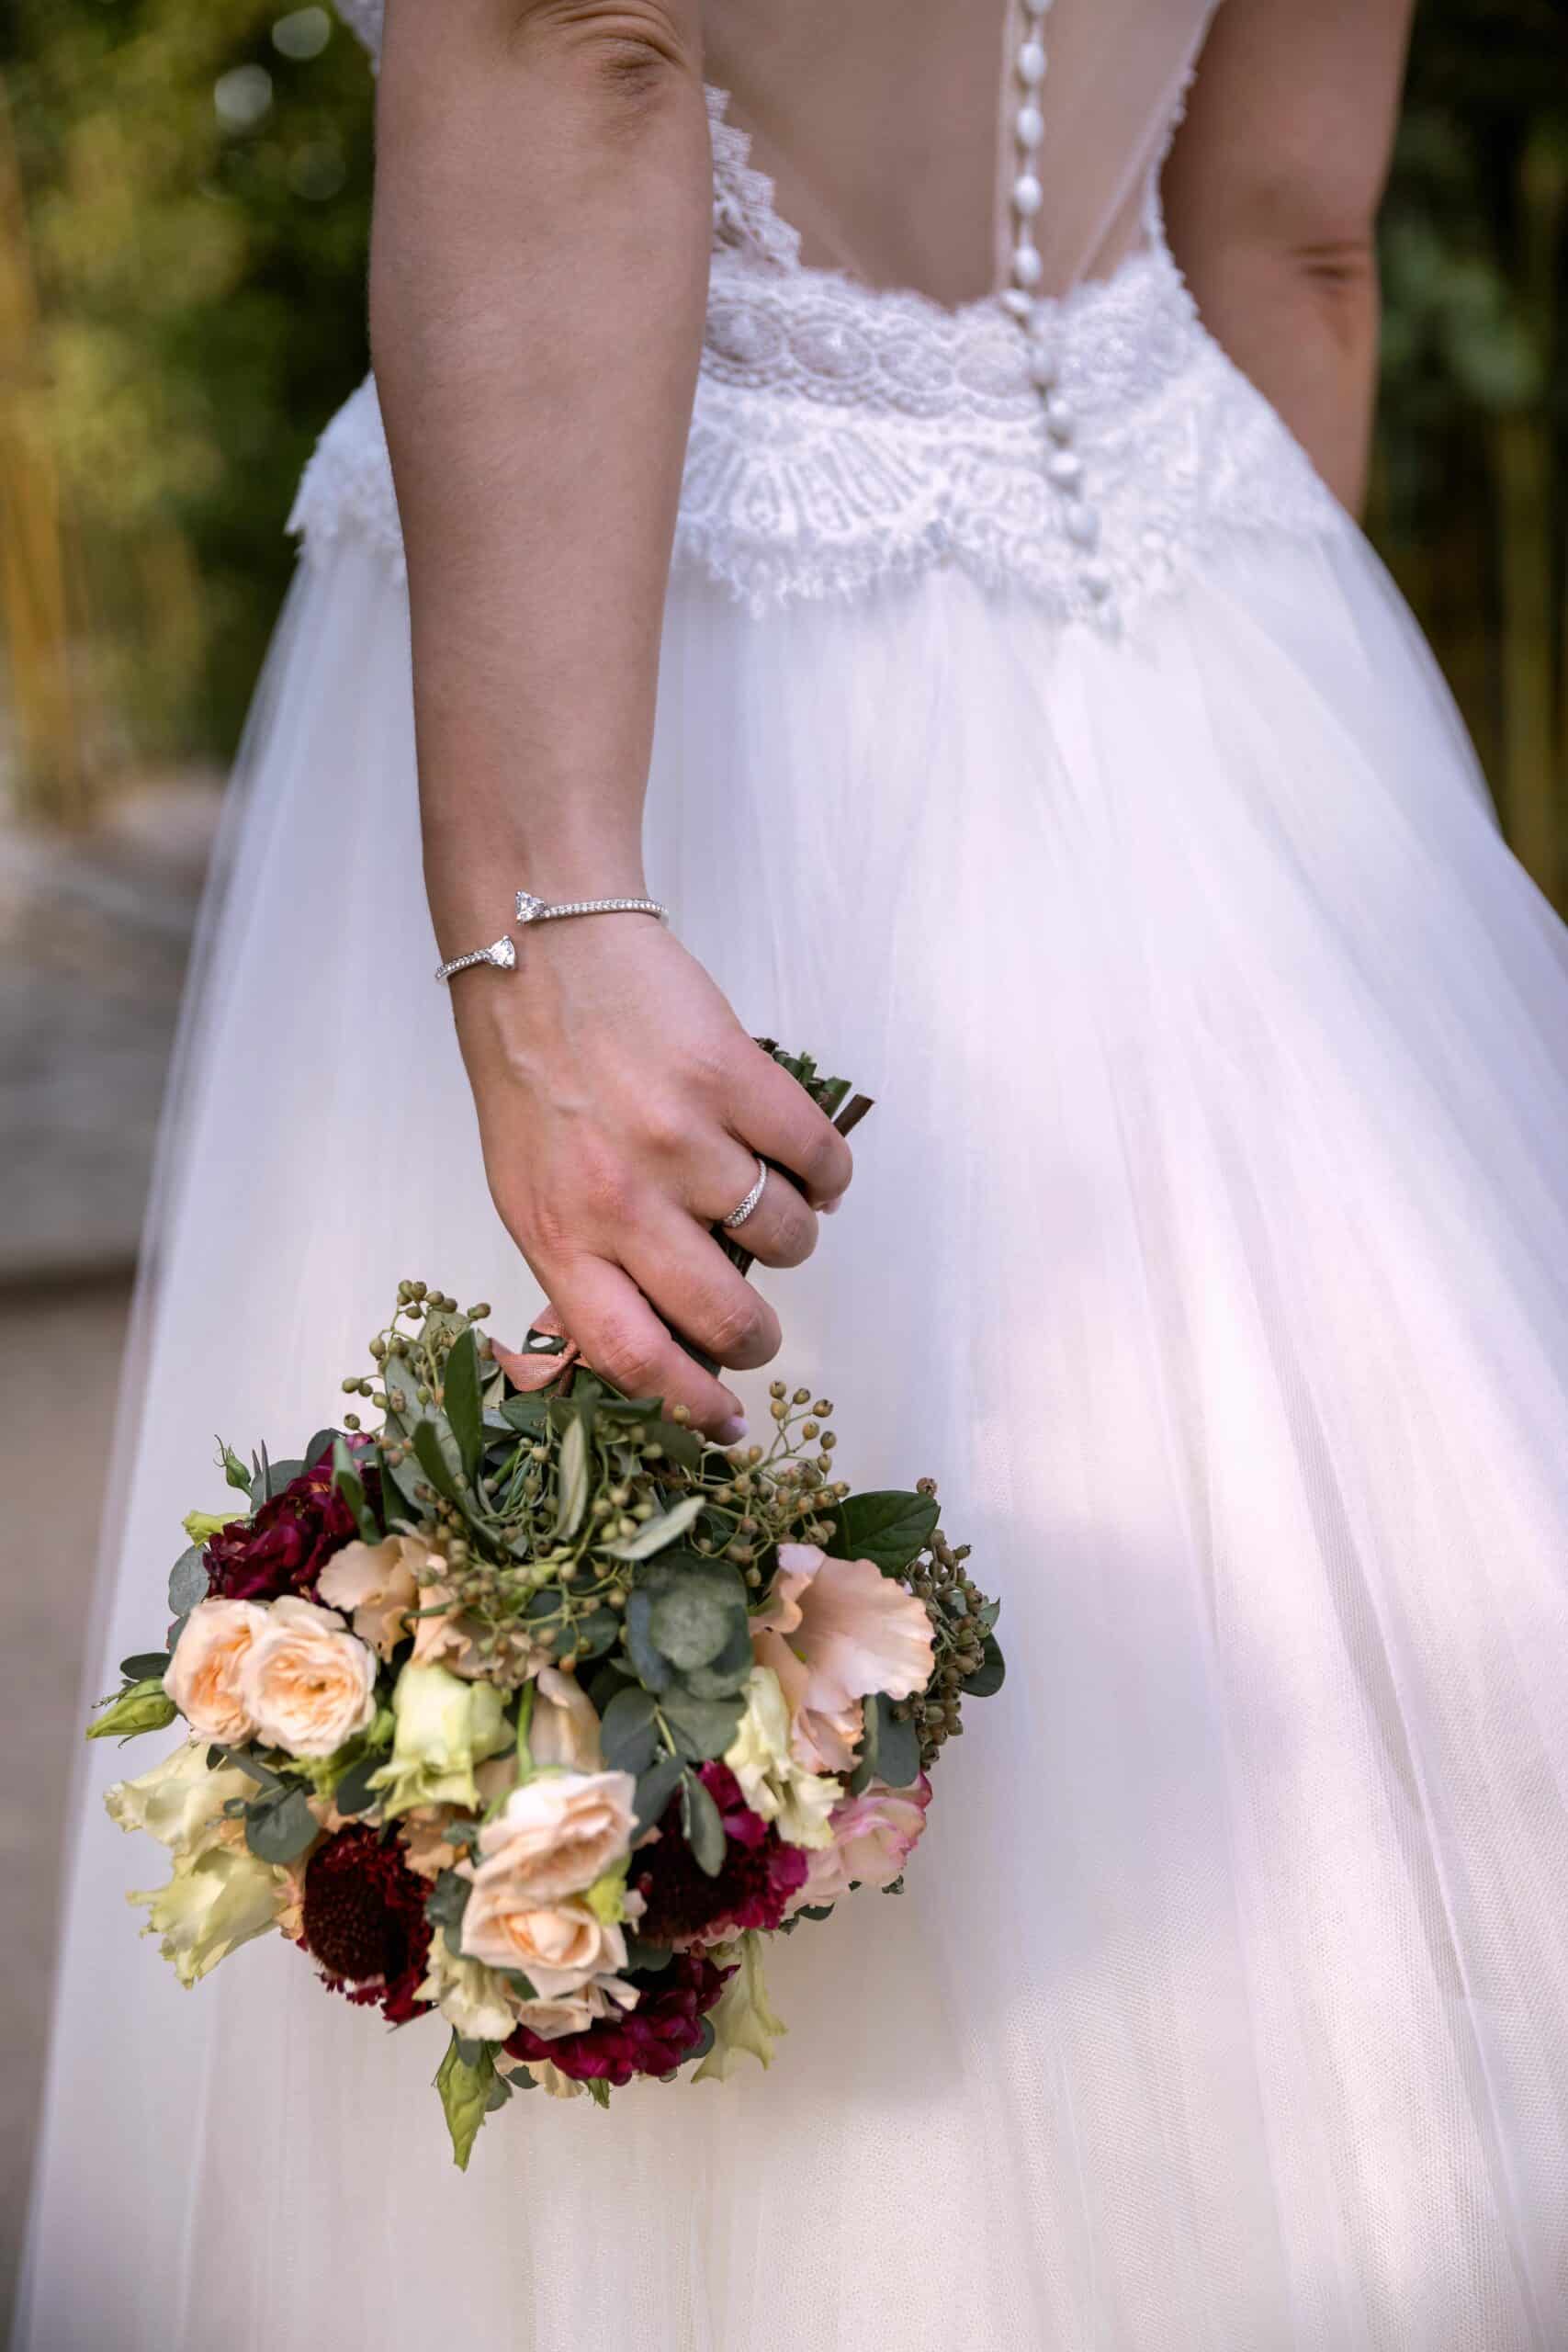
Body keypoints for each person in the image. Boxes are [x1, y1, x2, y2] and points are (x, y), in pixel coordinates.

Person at [18, 3, 1568, 2344]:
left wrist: (536, 921)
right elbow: (1290, 235)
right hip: (1213, 639)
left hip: (662, 678)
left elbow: (579, 33)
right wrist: (1246, 839)